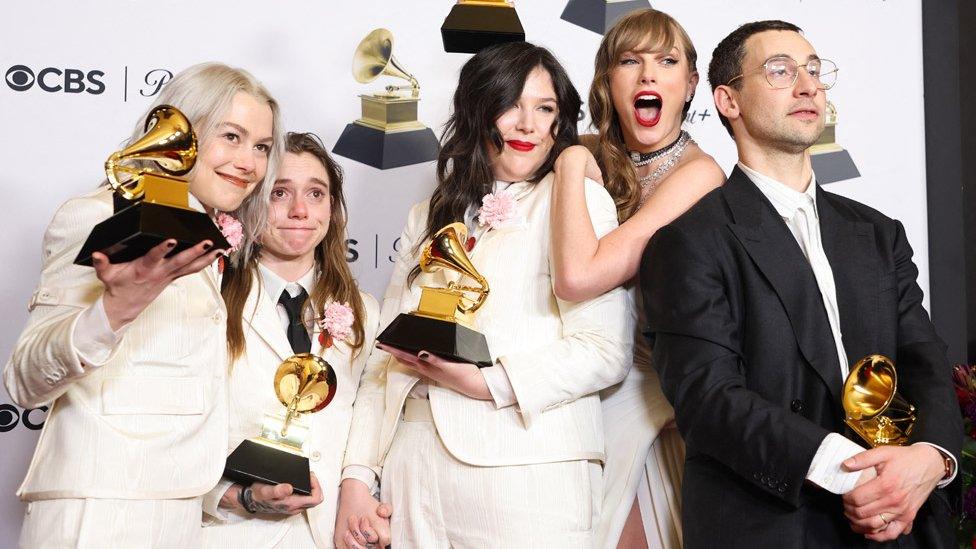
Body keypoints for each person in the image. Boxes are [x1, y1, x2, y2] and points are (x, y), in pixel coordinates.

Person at [641, 20, 961, 547]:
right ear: (728, 101)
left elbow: (925, 360)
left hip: (903, 517)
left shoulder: (878, 234)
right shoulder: (688, 241)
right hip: (778, 519)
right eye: (780, 71)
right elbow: (708, 397)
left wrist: (929, 458)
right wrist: (851, 470)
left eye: (814, 70)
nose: (808, 85)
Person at [335, 41, 635, 548]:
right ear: (478, 111)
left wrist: (488, 384)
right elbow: (385, 358)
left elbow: (604, 352)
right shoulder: (428, 213)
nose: (528, 125)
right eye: (510, 105)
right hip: (413, 473)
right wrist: (357, 478)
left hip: (528, 472)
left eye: (545, 109)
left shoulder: (576, 197)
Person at [3, 62, 282, 548]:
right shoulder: (96, 214)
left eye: (260, 147)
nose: (249, 163)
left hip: (178, 514)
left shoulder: (207, 244)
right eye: (231, 137)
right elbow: (24, 380)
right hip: (98, 513)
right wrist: (113, 311)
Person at [550, 9, 724, 548]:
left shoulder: (700, 174)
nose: (649, 75)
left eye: (667, 62)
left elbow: (580, 276)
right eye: (631, 61)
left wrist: (570, 162)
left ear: (690, 83)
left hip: (650, 384)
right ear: (608, 79)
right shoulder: (583, 148)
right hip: (570, 369)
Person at [199, 132, 381, 548]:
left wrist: (358, 493)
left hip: (332, 534)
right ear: (249, 202)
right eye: (280, 193)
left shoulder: (366, 311)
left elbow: (373, 418)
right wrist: (237, 497)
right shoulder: (205, 298)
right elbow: (173, 429)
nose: (300, 211)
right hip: (229, 535)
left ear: (332, 210)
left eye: (315, 194)